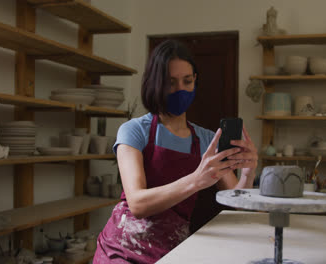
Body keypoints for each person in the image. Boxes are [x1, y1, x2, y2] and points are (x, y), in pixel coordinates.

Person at [93, 39, 258, 264]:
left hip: (173, 248)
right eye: (171, 82)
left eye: (187, 81)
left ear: (195, 81)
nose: (180, 89)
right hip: (122, 247)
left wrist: (248, 173)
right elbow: (138, 204)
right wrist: (197, 180)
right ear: (155, 83)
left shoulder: (206, 140)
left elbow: (237, 204)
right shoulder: (134, 131)